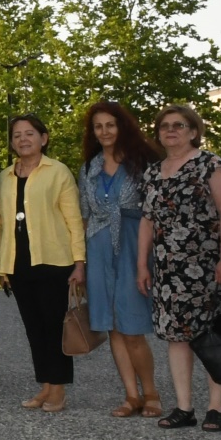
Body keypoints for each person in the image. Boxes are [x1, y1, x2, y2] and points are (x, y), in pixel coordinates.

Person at [137, 105, 221, 431]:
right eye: (165, 126)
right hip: (167, 269)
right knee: (175, 337)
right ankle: (184, 407)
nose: (171, 130)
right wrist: (142, 264)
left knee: (210, 335)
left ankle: (216, 408)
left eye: (179, 125)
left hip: (206, 265)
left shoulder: (211, 165)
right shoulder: (152, 173)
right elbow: (147, 222)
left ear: (194, 131)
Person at [0, 114, 85, 412]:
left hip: (53, 261)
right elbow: (0, 223)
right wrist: (1, 265)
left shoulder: (58, 172)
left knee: (54, 328)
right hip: (19, 264)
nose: (23, 139)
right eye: (17, 135)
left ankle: (58, 390)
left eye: (29, 133)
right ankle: (45, 386)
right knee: (33, 328)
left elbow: (73, 220)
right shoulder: (5, 177)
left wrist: (79, 262)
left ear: (43, 138)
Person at [79, 101, 159, 418]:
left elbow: (155, 210)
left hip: (133, 243)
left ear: (122, 125)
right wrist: (80, 263)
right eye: (98, 126)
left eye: (110, 125)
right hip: (98, 246)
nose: (104, 131)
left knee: (132, 327)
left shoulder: (144, 161)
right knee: (111, 326)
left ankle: (151, 393)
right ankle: (130, 395)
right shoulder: (89, 167)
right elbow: (84, 215)